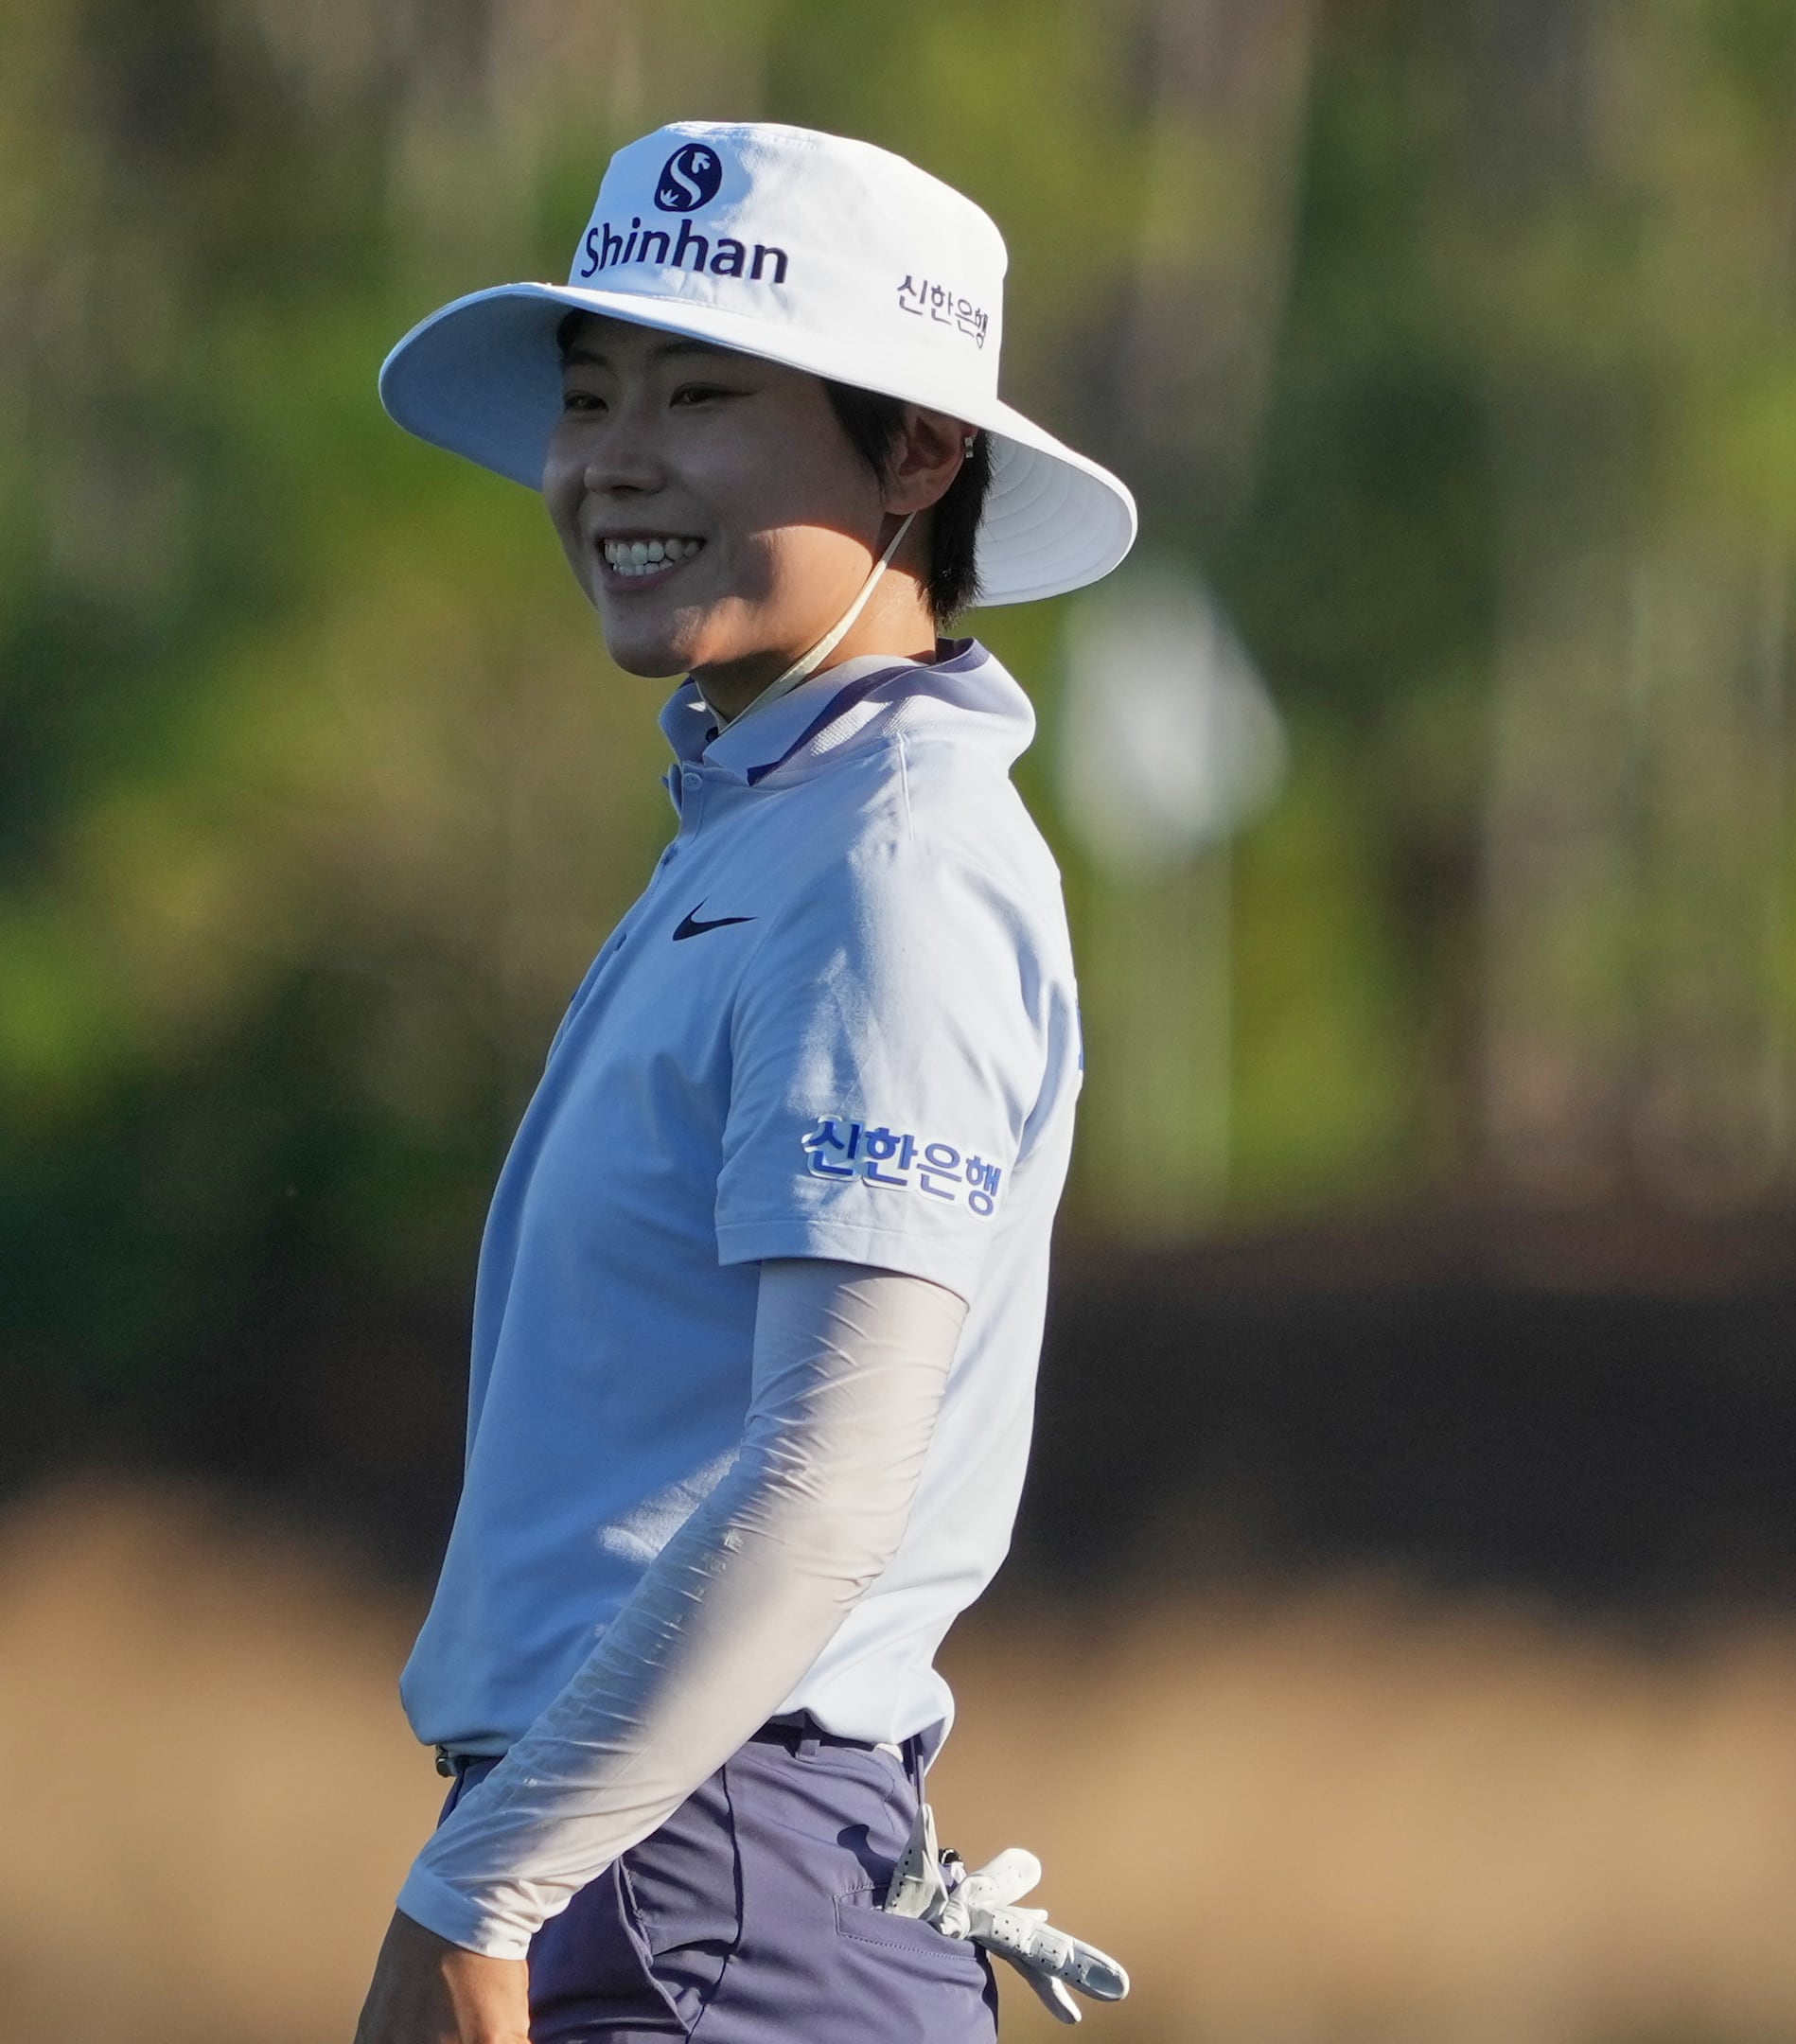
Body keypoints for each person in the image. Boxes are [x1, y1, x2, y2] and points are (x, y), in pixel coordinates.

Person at [350, 123, 1138, 2044]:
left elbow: (830, 1473)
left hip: (699, 1885)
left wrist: (478, 1894)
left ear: (920, 455)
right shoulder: (774, 832)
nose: (611, 456)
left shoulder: (889, 861)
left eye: (701, 396)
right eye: (592, 395)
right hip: (670, 1867)